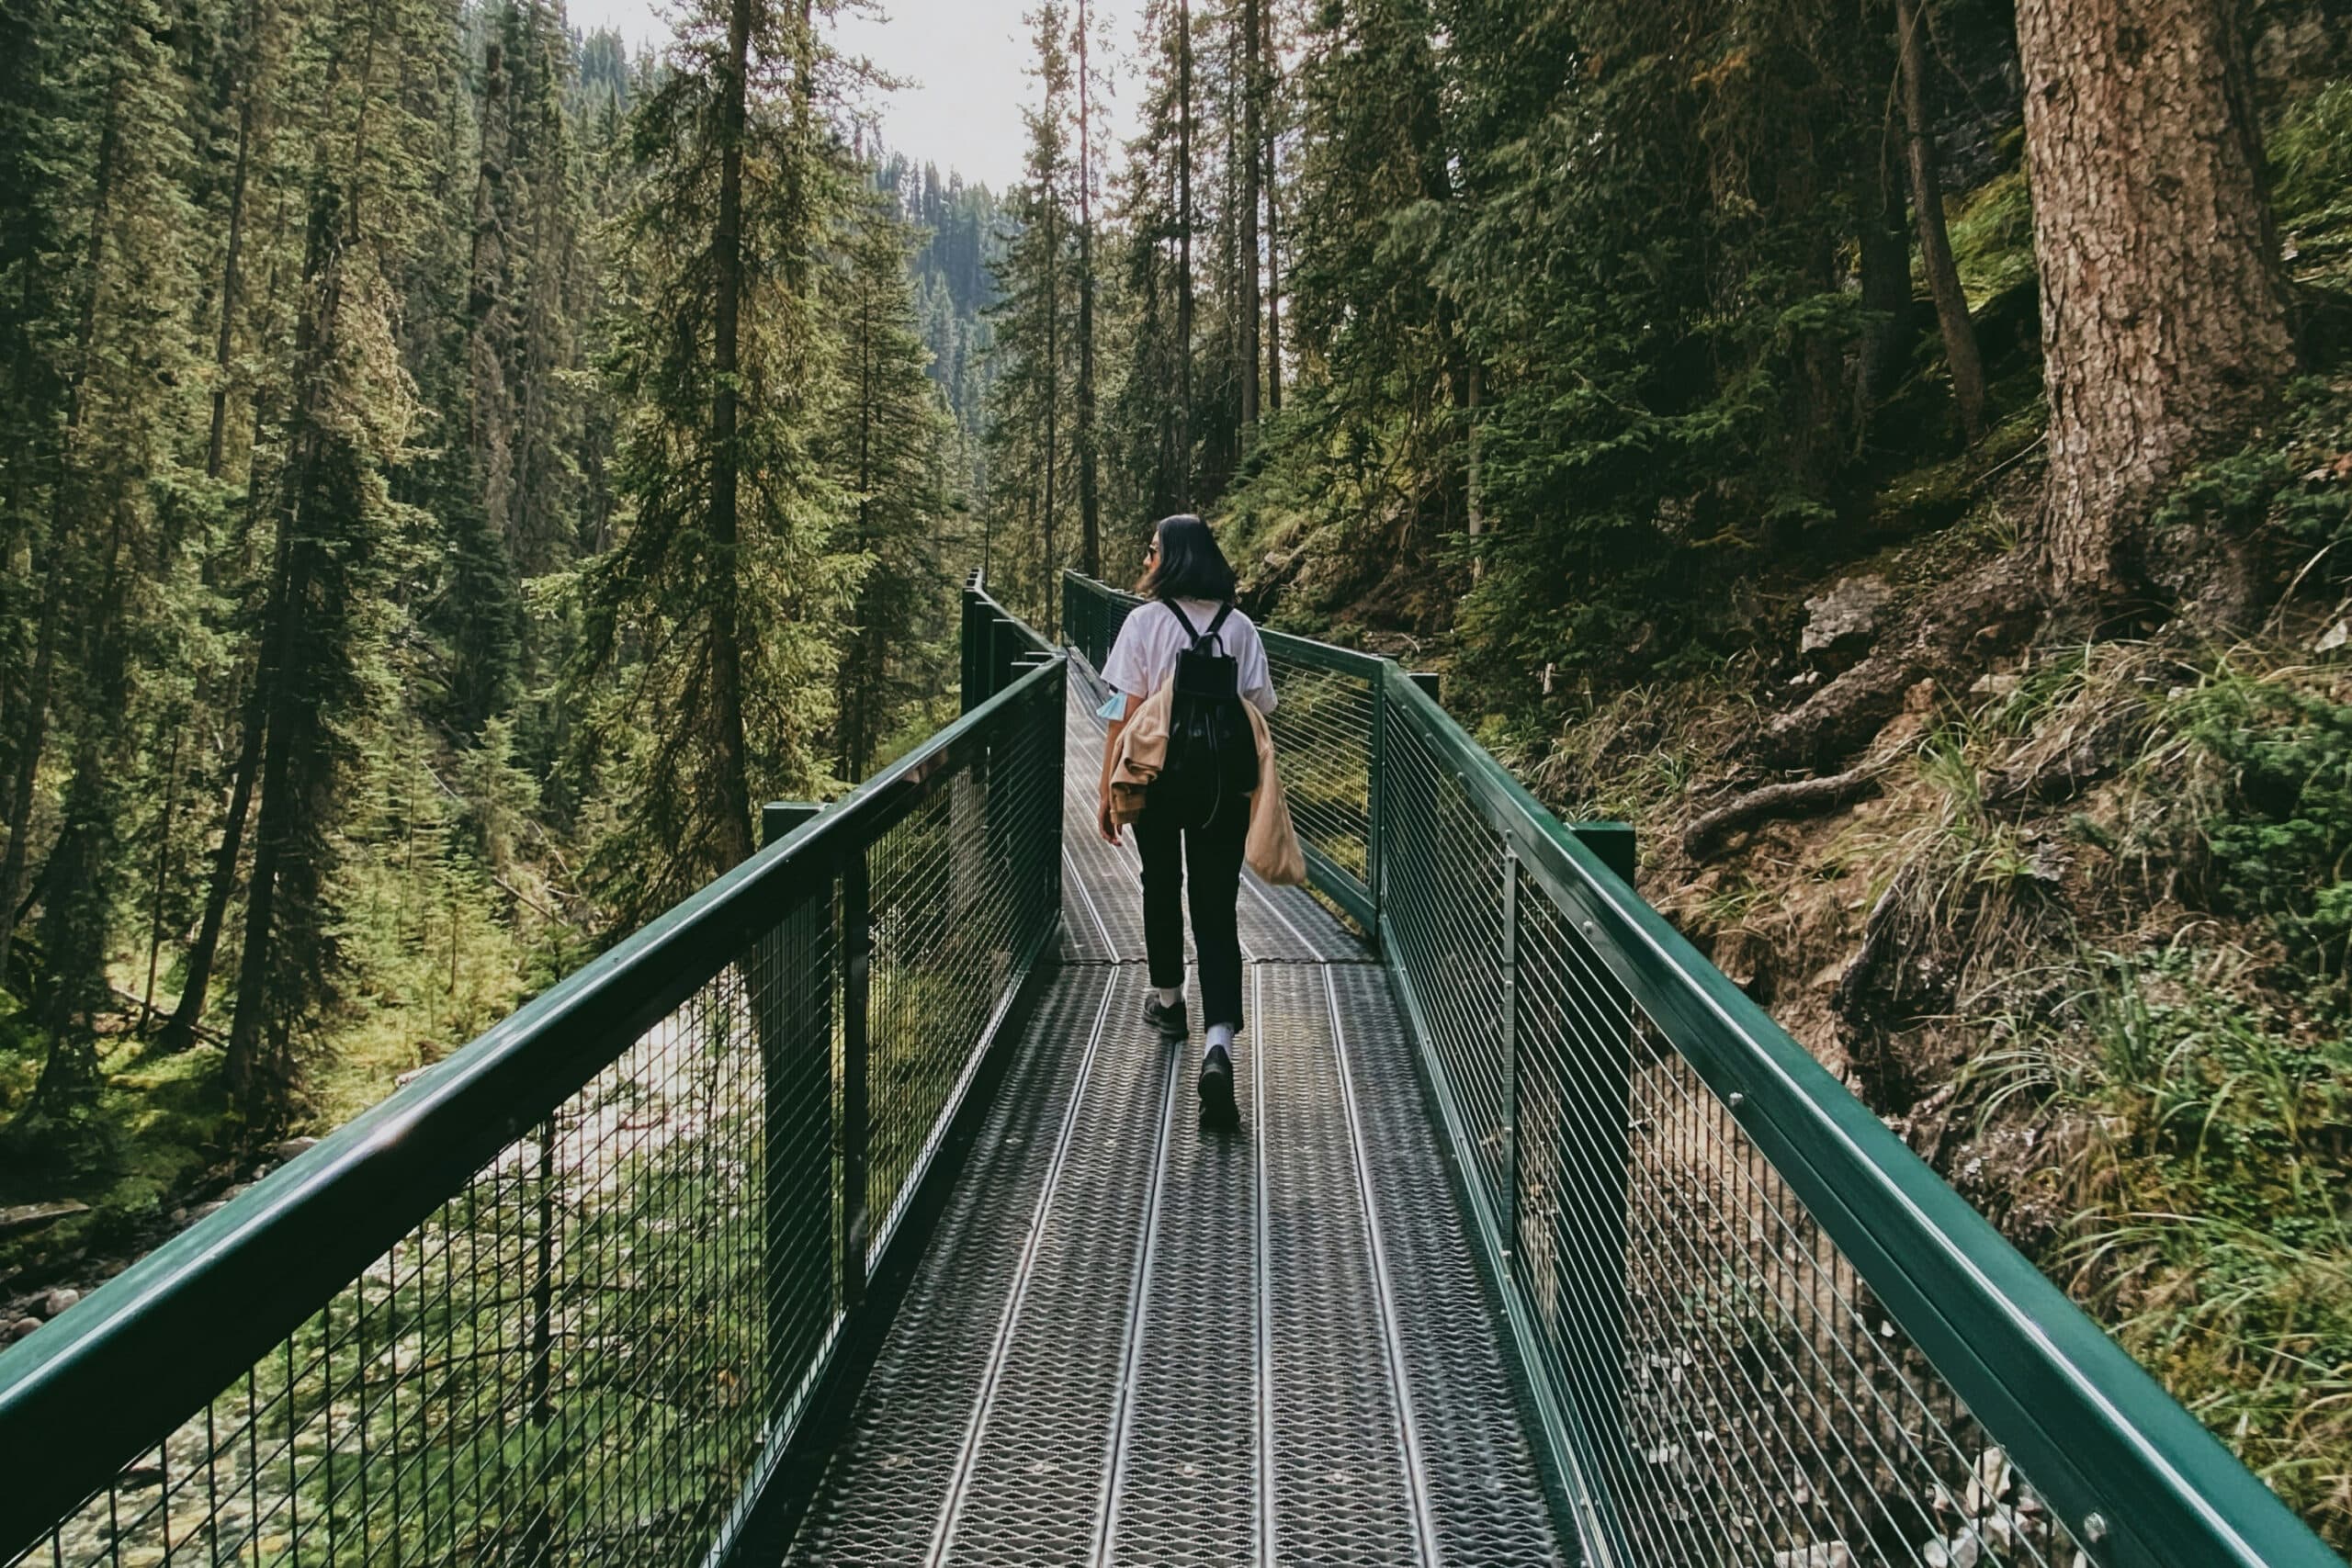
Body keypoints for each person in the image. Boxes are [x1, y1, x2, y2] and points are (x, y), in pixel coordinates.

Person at [1096, 514, 1276, 1122]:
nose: (1146, 561)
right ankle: (1219, 1042)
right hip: (1224, 785)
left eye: (1151, 551)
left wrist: (1107, 791)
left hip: (1159, 778)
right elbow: (1258, 708)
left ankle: (1170, 1002)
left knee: (1161, 883)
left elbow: (1118, 710)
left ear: (1172, 557)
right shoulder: (1242, 626)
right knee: (1217, 905)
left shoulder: (1143, 623)